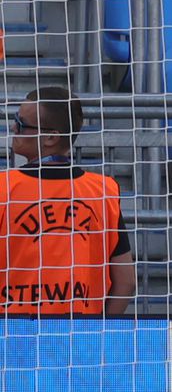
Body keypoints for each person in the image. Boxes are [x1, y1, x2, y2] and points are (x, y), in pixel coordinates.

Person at [1, 87, 134, 316]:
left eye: (21, 124)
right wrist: (98, 332)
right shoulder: (102, 191)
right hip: (80, 339)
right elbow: (126, 283)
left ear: (51, 137)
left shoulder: (4, 188)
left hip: (12, 338)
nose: (13, 128)